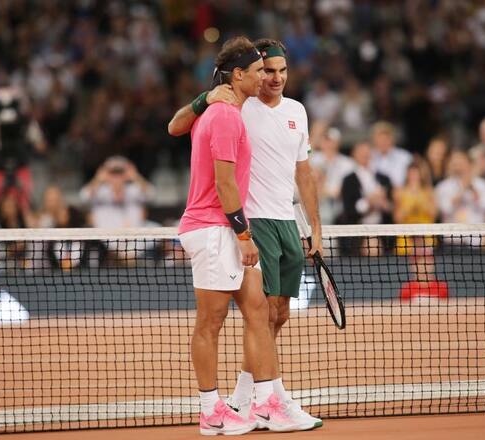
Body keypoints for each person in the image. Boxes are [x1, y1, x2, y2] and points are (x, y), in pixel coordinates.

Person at [168, 38, 322, 432]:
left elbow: (302, 172)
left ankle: (267, 400)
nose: (269, 78)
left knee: (261, 312)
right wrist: (243, 234)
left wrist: (313, 226)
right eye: (261, 71)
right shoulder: (226, 112)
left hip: (237, 226)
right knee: (212, 321)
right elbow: (223, 182)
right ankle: (215, 408)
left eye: (278, 71)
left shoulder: (260, 110)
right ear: (241, 75)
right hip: (223, 226)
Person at [0, 86, 46, 228]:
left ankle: (32, 244)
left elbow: (41, 145)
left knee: (26, 211)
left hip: (20, 170)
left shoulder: (26, 120)